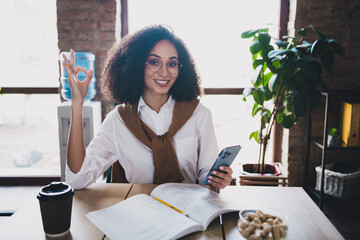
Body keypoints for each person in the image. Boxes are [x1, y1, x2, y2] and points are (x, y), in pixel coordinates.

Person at [62, 24, 233, 190]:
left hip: (188, 214)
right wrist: (77, 104)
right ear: (137, 64)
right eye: (154, 62)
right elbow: (77, 180)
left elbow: (205, 174)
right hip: (139, 213)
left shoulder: (199, 114)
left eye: (172, 64)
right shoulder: (118, 121)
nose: (164, 72)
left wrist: (216, 178)